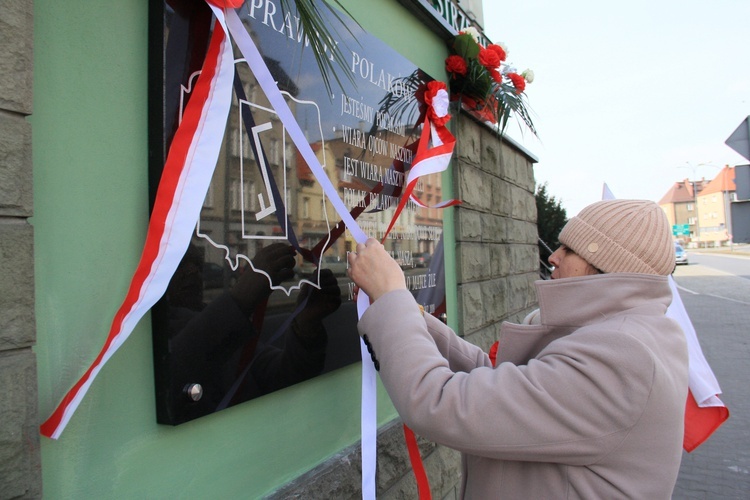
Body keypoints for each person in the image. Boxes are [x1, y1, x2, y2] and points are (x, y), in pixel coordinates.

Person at [348, 199, 688, 499]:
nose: (553, 257)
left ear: (605, 266)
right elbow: (501, 383)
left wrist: (392, 297)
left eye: (569, 250)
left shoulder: (620, 356)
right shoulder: (631, 333)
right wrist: (407, 311)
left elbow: (440, 403)